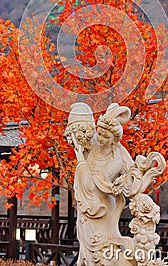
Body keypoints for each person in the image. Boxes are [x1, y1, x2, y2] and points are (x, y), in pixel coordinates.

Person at [70, 103, 136, 266]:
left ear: (114, 141)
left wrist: (81, 162)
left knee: (101, 246)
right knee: (87, 248)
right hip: (87, 205)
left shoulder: (116, 160)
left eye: (105, 137)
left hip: (100, 207)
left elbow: (93, 185)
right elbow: (82, 135)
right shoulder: (96, 146)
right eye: (99, 134)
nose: (99, 139)